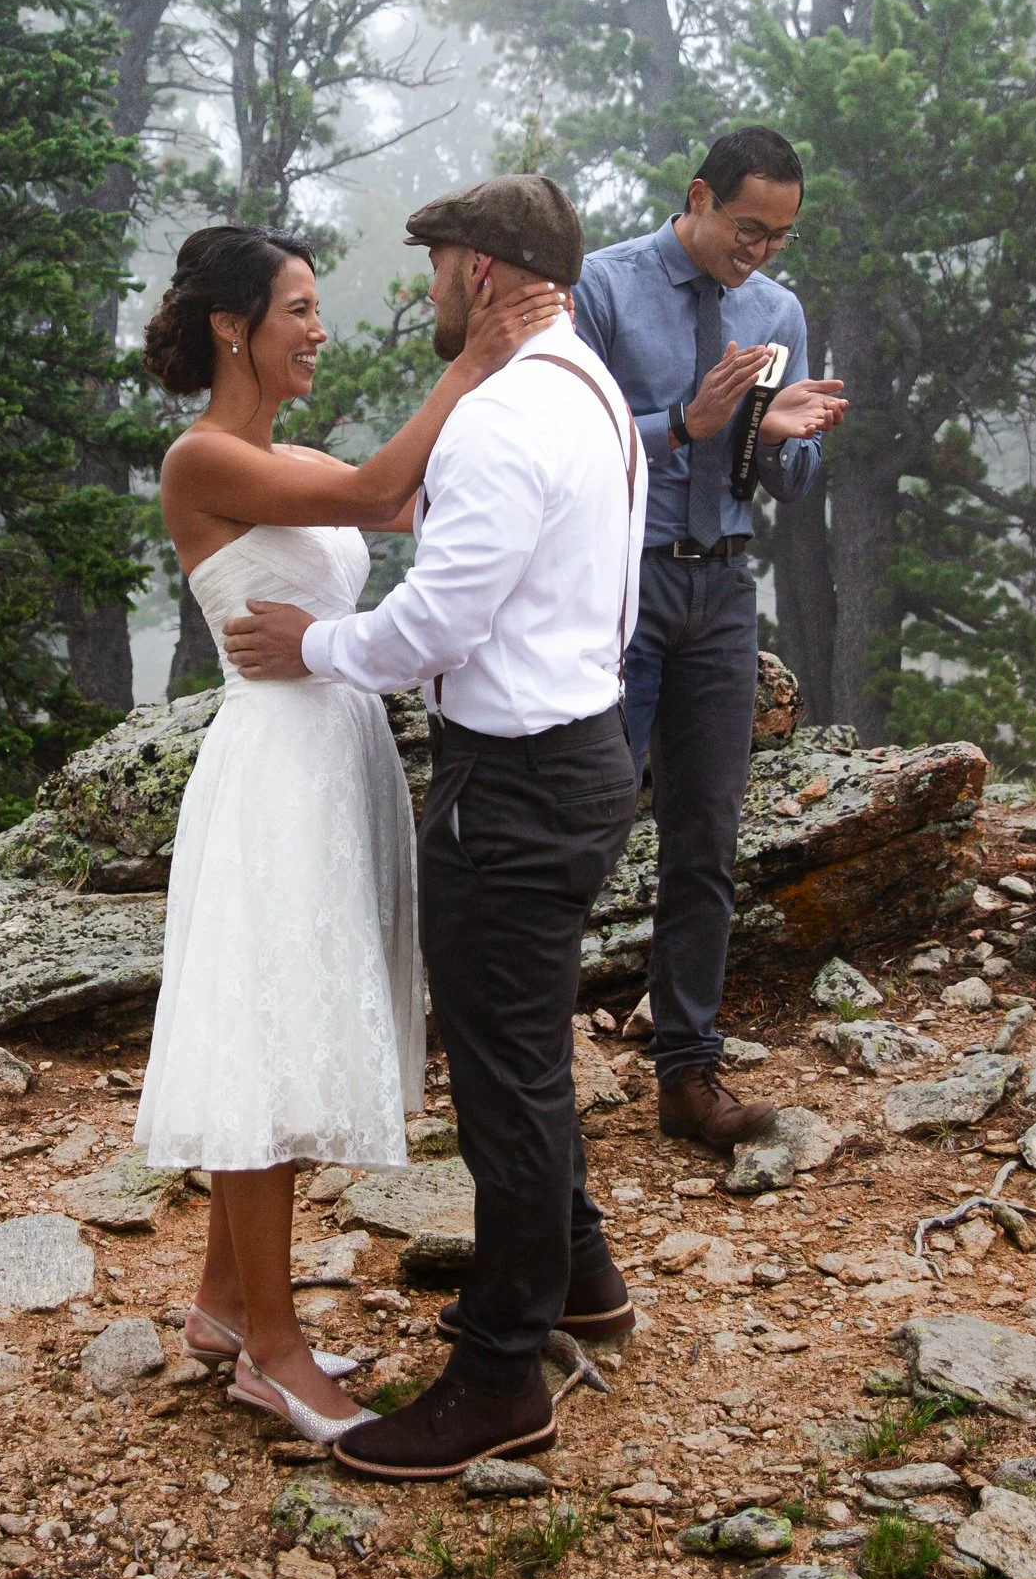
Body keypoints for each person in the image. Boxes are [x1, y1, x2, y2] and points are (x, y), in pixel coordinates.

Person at [221, 174, 649, 1482]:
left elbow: (437, 624)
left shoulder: (507, 414)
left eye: (436, 266)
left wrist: (313, 645)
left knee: (505, 1086)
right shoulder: (590, 390)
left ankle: (499, 1378)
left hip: (515, 784)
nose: (428, 291)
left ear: (483, 270)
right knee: (526, 1051)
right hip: (585, 750)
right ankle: (581, 1277)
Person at [130, 222, 564, 1449]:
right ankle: (271, 1356)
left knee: (289, 1024)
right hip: (274, 771)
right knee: (265, 1042)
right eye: (300, 309)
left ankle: (223, 1303)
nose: (319, 330)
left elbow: (420, 495)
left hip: (338, 757)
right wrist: (467, 360)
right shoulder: (199, 460)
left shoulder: (295, 455)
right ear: (233, 327)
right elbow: (380, 494)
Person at [572, 125, 847, 1152]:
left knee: (706, 840)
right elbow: (573, 447)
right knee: (587, 821)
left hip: (723, 586)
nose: (759, 252)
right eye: (746, 229)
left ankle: (687, 1074)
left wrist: (781, 435)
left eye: (778, 236)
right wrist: (688, 422)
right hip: (620, 585)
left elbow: (789, 483)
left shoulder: (777, 313)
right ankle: (528, 1061)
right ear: (696, 197)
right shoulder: (602, 288)